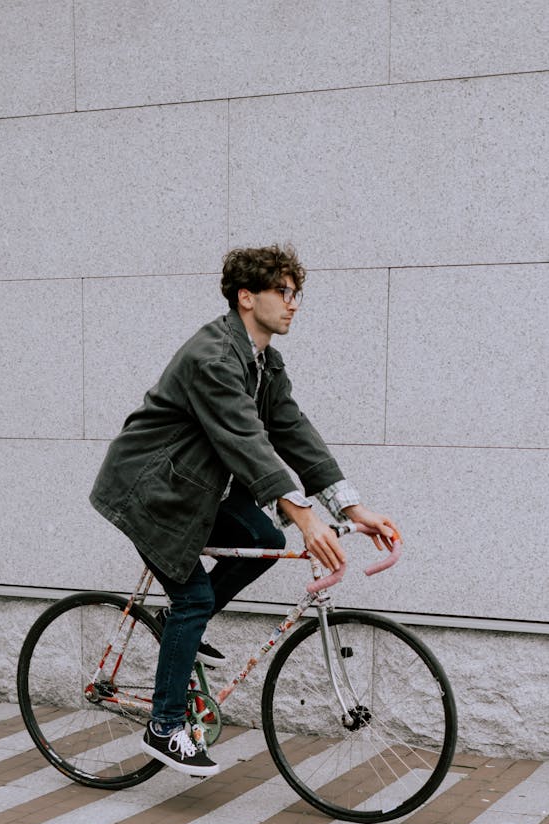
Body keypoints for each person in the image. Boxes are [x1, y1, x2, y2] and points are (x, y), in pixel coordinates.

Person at [90, 244, 400, 777]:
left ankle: (176, 627)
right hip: (150, 489)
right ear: (246, 296)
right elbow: (243, 438)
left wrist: (351, 504)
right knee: (194, 597)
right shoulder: (212, 356)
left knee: (264, 541)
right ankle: (164, 727)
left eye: (296, 292)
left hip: (196, 485)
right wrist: (303, 513)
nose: (293, 303)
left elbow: (292, 431)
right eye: (283, 291)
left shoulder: (262, 361)